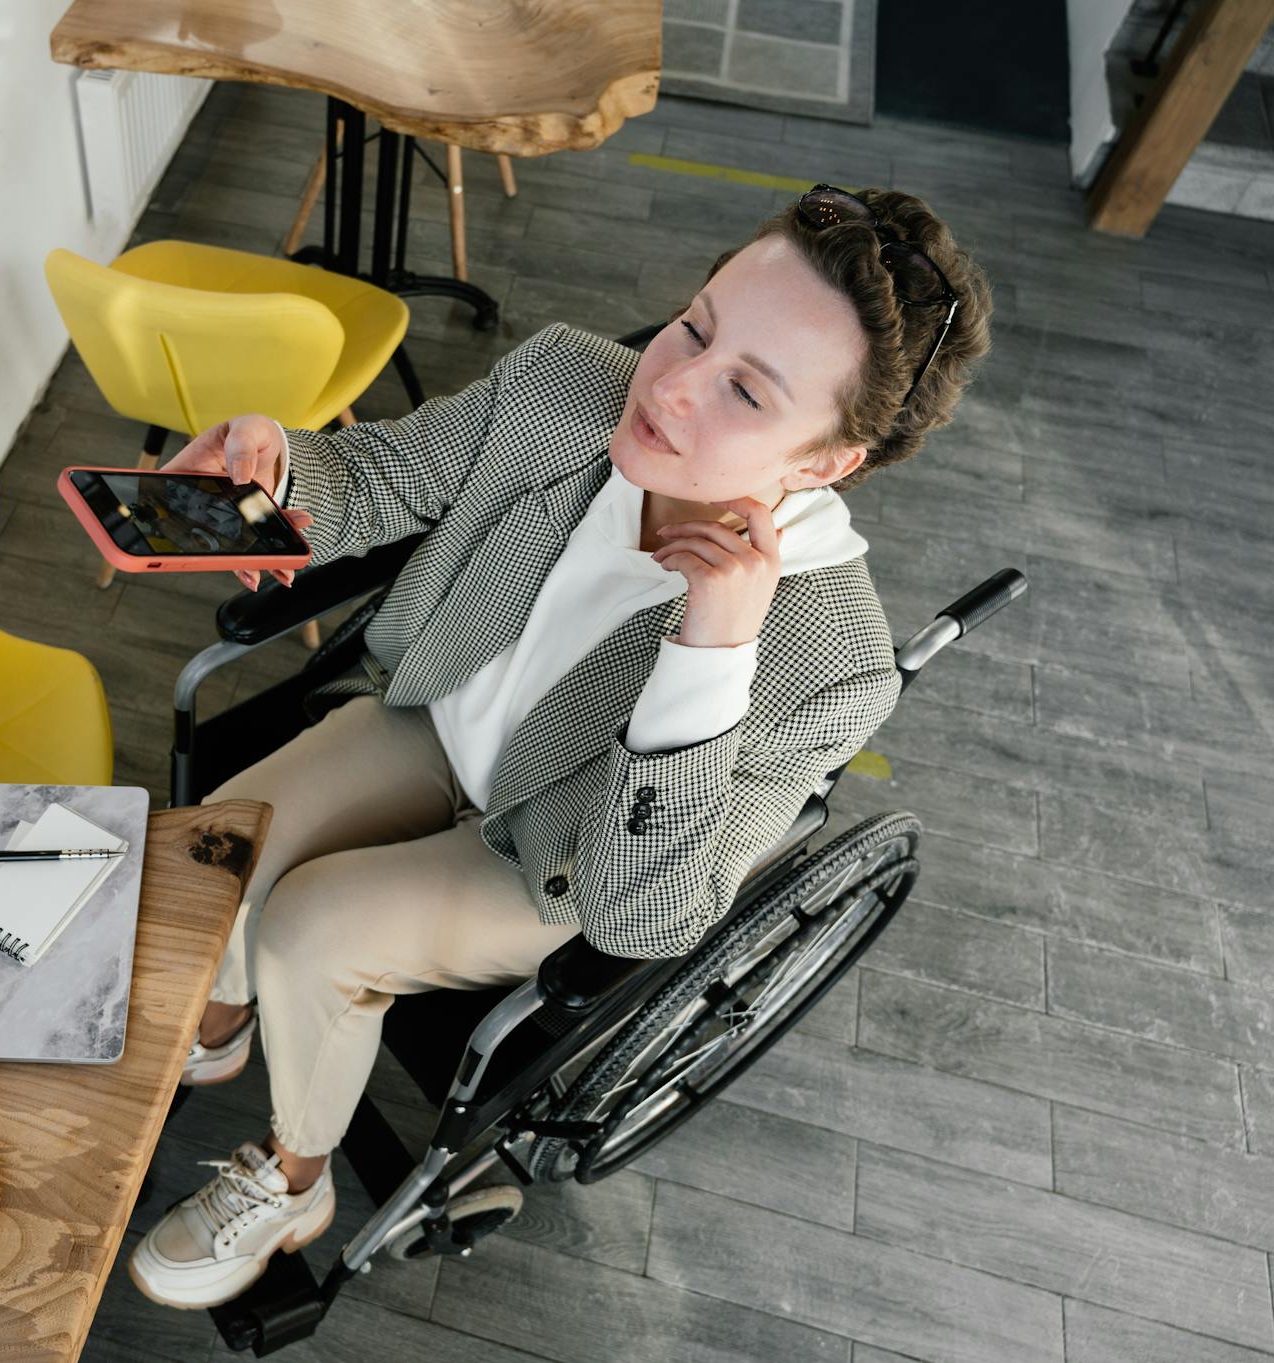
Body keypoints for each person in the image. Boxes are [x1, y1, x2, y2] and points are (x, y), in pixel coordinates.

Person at [127, 185, 994, 1310]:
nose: (669, 381)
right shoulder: (562, 381)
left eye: (744, 389)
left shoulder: (828, 661)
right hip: (430, 719)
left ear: (823, 464)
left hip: (547, 853)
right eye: (693, 323)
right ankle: (228, 1015)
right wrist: (278, 472)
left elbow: (643, 915)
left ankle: (293, 1179)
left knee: (307, 930)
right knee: (215, 860)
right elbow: (388, 473)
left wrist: (710, 651)